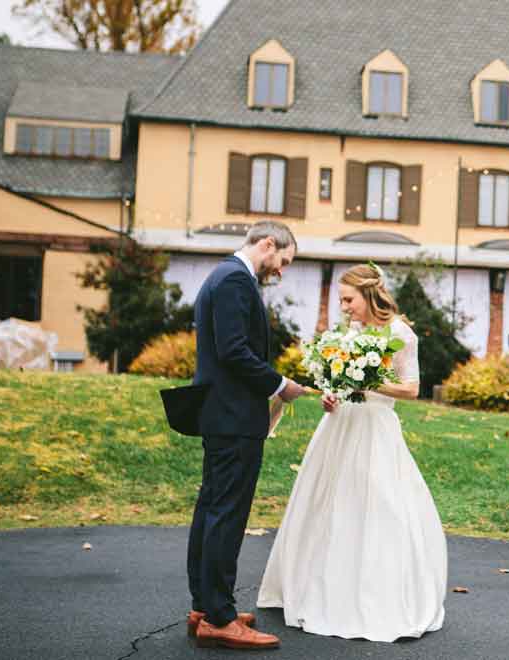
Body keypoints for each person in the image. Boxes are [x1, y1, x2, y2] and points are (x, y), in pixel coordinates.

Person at [257, 263, 447, 642]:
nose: (344, 307)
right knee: (326, 503)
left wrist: (369, 381)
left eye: (348, 299)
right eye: (341, 300)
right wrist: (335, 391)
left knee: (377, 506)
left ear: (369, 295)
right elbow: (342, 380)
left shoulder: (400, 333)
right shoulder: (351, 332)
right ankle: (317, 586)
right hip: (340, 425)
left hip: (375, 427)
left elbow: (411, 389)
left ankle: (375, 594)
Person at [187, 221, 308, 650]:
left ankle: (205, 606)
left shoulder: (221, 275)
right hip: (235, 417)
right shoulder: (236, 280)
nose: (282, 271)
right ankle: (219, 618)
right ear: (267, 244)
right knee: (226, 515)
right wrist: (281, 385)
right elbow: (234, 351)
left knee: (212, 508)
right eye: (284, 261)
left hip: (220, 414)